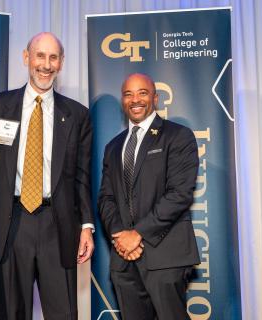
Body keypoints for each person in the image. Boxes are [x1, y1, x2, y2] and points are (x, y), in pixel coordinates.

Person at [0, 32, 94, 320]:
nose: (45, 65)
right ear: (26, 58)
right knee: (11, 311)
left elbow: (82, 176)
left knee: (63, 311)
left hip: (57, 224)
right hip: (11, 222)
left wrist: (86, 225)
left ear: (60, 63)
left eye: (53, 57)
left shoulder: (78, 115)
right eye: (39, 56)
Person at [98, 73, 200, 320]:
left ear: (155, 97)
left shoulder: (178, 136)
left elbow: (179, 194)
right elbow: (106, 198)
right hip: (124, 259)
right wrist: (122, 238)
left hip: (165, 255)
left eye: (142, 92)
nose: (135, 100)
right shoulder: (113, 146)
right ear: (123, 101)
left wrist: (138, 234)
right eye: (128, 94)